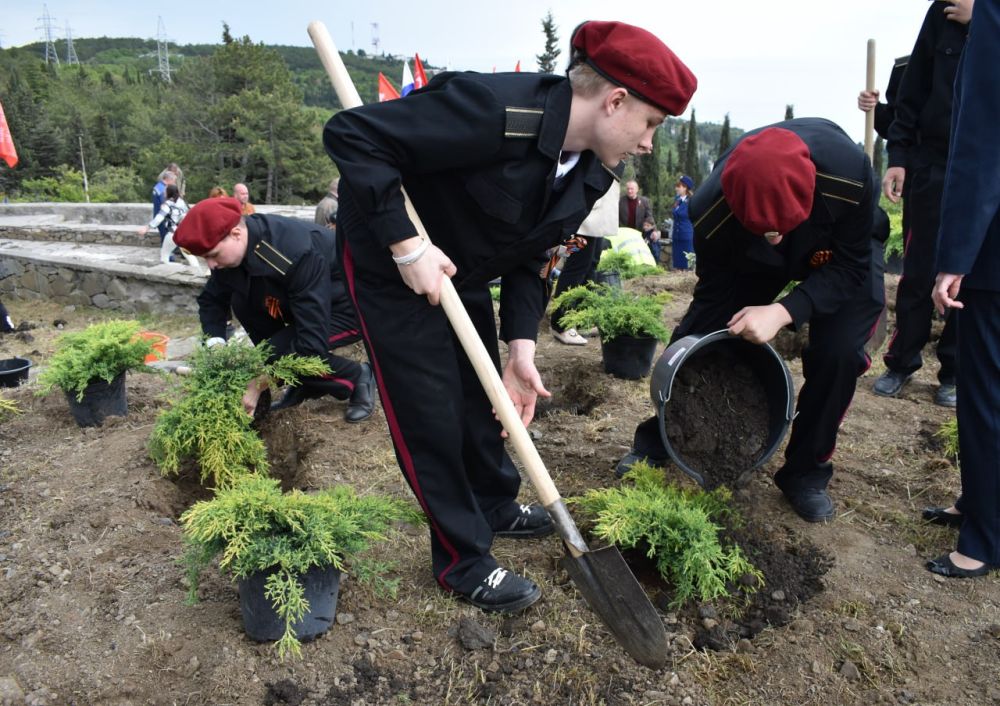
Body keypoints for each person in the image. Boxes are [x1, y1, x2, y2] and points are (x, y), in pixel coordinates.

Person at [324, 20, 696, 613]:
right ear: (615, 101)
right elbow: (352, 134)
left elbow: (537, 252)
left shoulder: (594, 169)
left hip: (463, 264)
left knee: (482, 393)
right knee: (430, 411)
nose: (650, 143)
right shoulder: (494, 109)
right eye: (651, 123)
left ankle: (494, 503)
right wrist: (406, 246)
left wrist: (522, 345)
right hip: (389, 261)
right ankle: (462, 560)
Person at [617, 118, 885, 524]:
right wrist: (719, 329)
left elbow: (851, 268)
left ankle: (805, 474)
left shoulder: (848, 175)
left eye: (779, 230)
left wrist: (783, 311)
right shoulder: (710, 211)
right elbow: (713, 296)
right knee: (706, 328)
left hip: (839, 251)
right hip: (748, 253)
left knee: (840, 352)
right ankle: (662, 436)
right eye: (767, 230)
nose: (775, 237)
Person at [172, 197, 376, 424]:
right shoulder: (235, 250)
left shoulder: (292, 253)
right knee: (244, 302)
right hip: (305, 301)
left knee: (280, 353)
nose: (211, 265)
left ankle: (357, 376)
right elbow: (211, 299)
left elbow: (311, 342)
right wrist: (216, 345)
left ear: (236, 234)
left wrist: (260, 381)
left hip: (351, 304)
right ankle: (306, 384)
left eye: (213, 255)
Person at [926, 0, 1000, 579]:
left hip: (994, 248)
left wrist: (956, 255)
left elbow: (982, 139)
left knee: (986, 392)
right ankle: (978, 501)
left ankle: (985, 538)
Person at [871, 0, 973, 408]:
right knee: (918, 269)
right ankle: (901, 362)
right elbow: (912, 92)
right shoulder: (943, 11)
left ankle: (955, 371)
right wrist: (898, 156)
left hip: (985, 169)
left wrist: (982, 21)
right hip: (932, 164)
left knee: (974, 275)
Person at [549, 183, 619, 346]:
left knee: (591, 265)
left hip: (599, 211)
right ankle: (561, 323)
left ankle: (580, 319)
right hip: (587, 210)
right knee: (577, 267)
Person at [138, 183, 198, 268]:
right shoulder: (182, 202)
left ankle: (177, 269)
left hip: (172, 234)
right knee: (188, 254)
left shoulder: (167, 204)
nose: (163, 192)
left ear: (168, 192)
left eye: (165, 191)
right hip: (183, 233)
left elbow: (159, 217)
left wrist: (147, 227)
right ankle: (197, 270)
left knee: (164, 257)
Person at [671, 175, 695, 270]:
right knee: (678, 264)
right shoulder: (677, 200)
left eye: (679, 186)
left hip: (686, 236)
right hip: (676, 236)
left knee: (689, 264)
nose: (676, 188)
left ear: (685, 188)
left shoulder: (691, 201)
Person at [151, 170, 177, 245]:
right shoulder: (163, 190)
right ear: (169, 179)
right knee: (166, 238)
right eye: (174, 181)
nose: (174, 183)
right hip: (163, 218)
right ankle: (167, 252)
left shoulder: (158, 186)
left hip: (158, 215)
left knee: (165, 237)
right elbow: (164, 205)